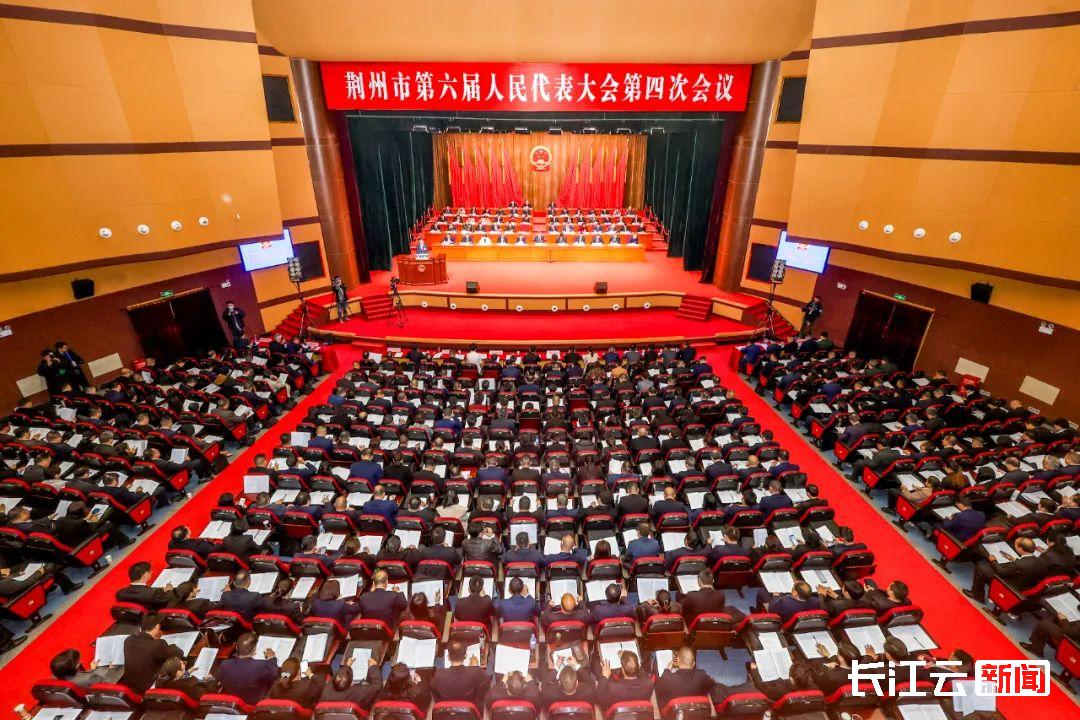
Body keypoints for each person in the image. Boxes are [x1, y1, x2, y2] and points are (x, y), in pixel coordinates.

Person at [119, 614, 184, 693]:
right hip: (146, 689)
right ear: (157, 627)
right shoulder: (158, 645)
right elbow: (179, 653)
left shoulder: (129, 640)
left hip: (129, 687)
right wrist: (171, 646)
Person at [214, 632, 280, 705]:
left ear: (236, 647)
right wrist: (271, 658)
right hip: (255, 703)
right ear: (254, 650)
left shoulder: (224, 664)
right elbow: (275, 676)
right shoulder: (260, 666)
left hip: (234, 703)